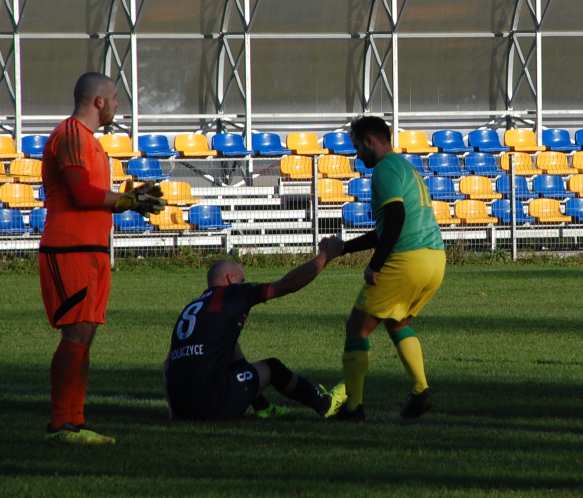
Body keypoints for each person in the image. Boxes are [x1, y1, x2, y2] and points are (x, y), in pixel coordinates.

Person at [41, 72, 166, 445]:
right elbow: (80, 193)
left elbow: (93, 195)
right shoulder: (71, 136)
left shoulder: (89, 142)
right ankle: (62, 423)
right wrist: (125, 201)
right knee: (76, 333)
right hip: (70, 249)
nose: (116, 106)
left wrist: (129, 199)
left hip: (90, 249)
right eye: (114, 99)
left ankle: (74, 421)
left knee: (85, 334)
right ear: (98, 101)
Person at [328, 116, 446, 422]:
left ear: (370, 141)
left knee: (358, 326)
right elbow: (386, 227)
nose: (357, 155)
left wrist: (375, 265)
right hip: (434, 258)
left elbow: (395, 218)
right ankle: (420, 391)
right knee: (397, 320)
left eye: (357, 147)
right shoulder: (405, 168)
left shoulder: (384, 170)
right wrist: (344, 248)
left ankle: (353, 407)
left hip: (407, 259)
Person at [164, 245, 347, 421]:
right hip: (211, 404)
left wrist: (174, 410)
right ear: (229, 279)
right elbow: (287, 285)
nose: (244, 284)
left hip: (180, 408)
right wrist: (325, 256)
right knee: (273, 368)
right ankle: (324, 404)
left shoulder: (193, 308)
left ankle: (263, 408)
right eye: (242, 280)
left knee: (233, 353)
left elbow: (168, 363)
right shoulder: (233, 293)